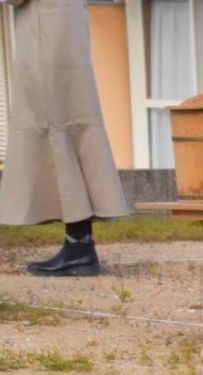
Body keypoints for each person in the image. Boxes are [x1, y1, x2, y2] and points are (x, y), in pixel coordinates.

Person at [0, 0, 129, 276]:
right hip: (62, 28)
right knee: (71, 127)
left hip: (46, 34)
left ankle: (79, 247)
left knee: (56, 131)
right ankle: (79, 243)